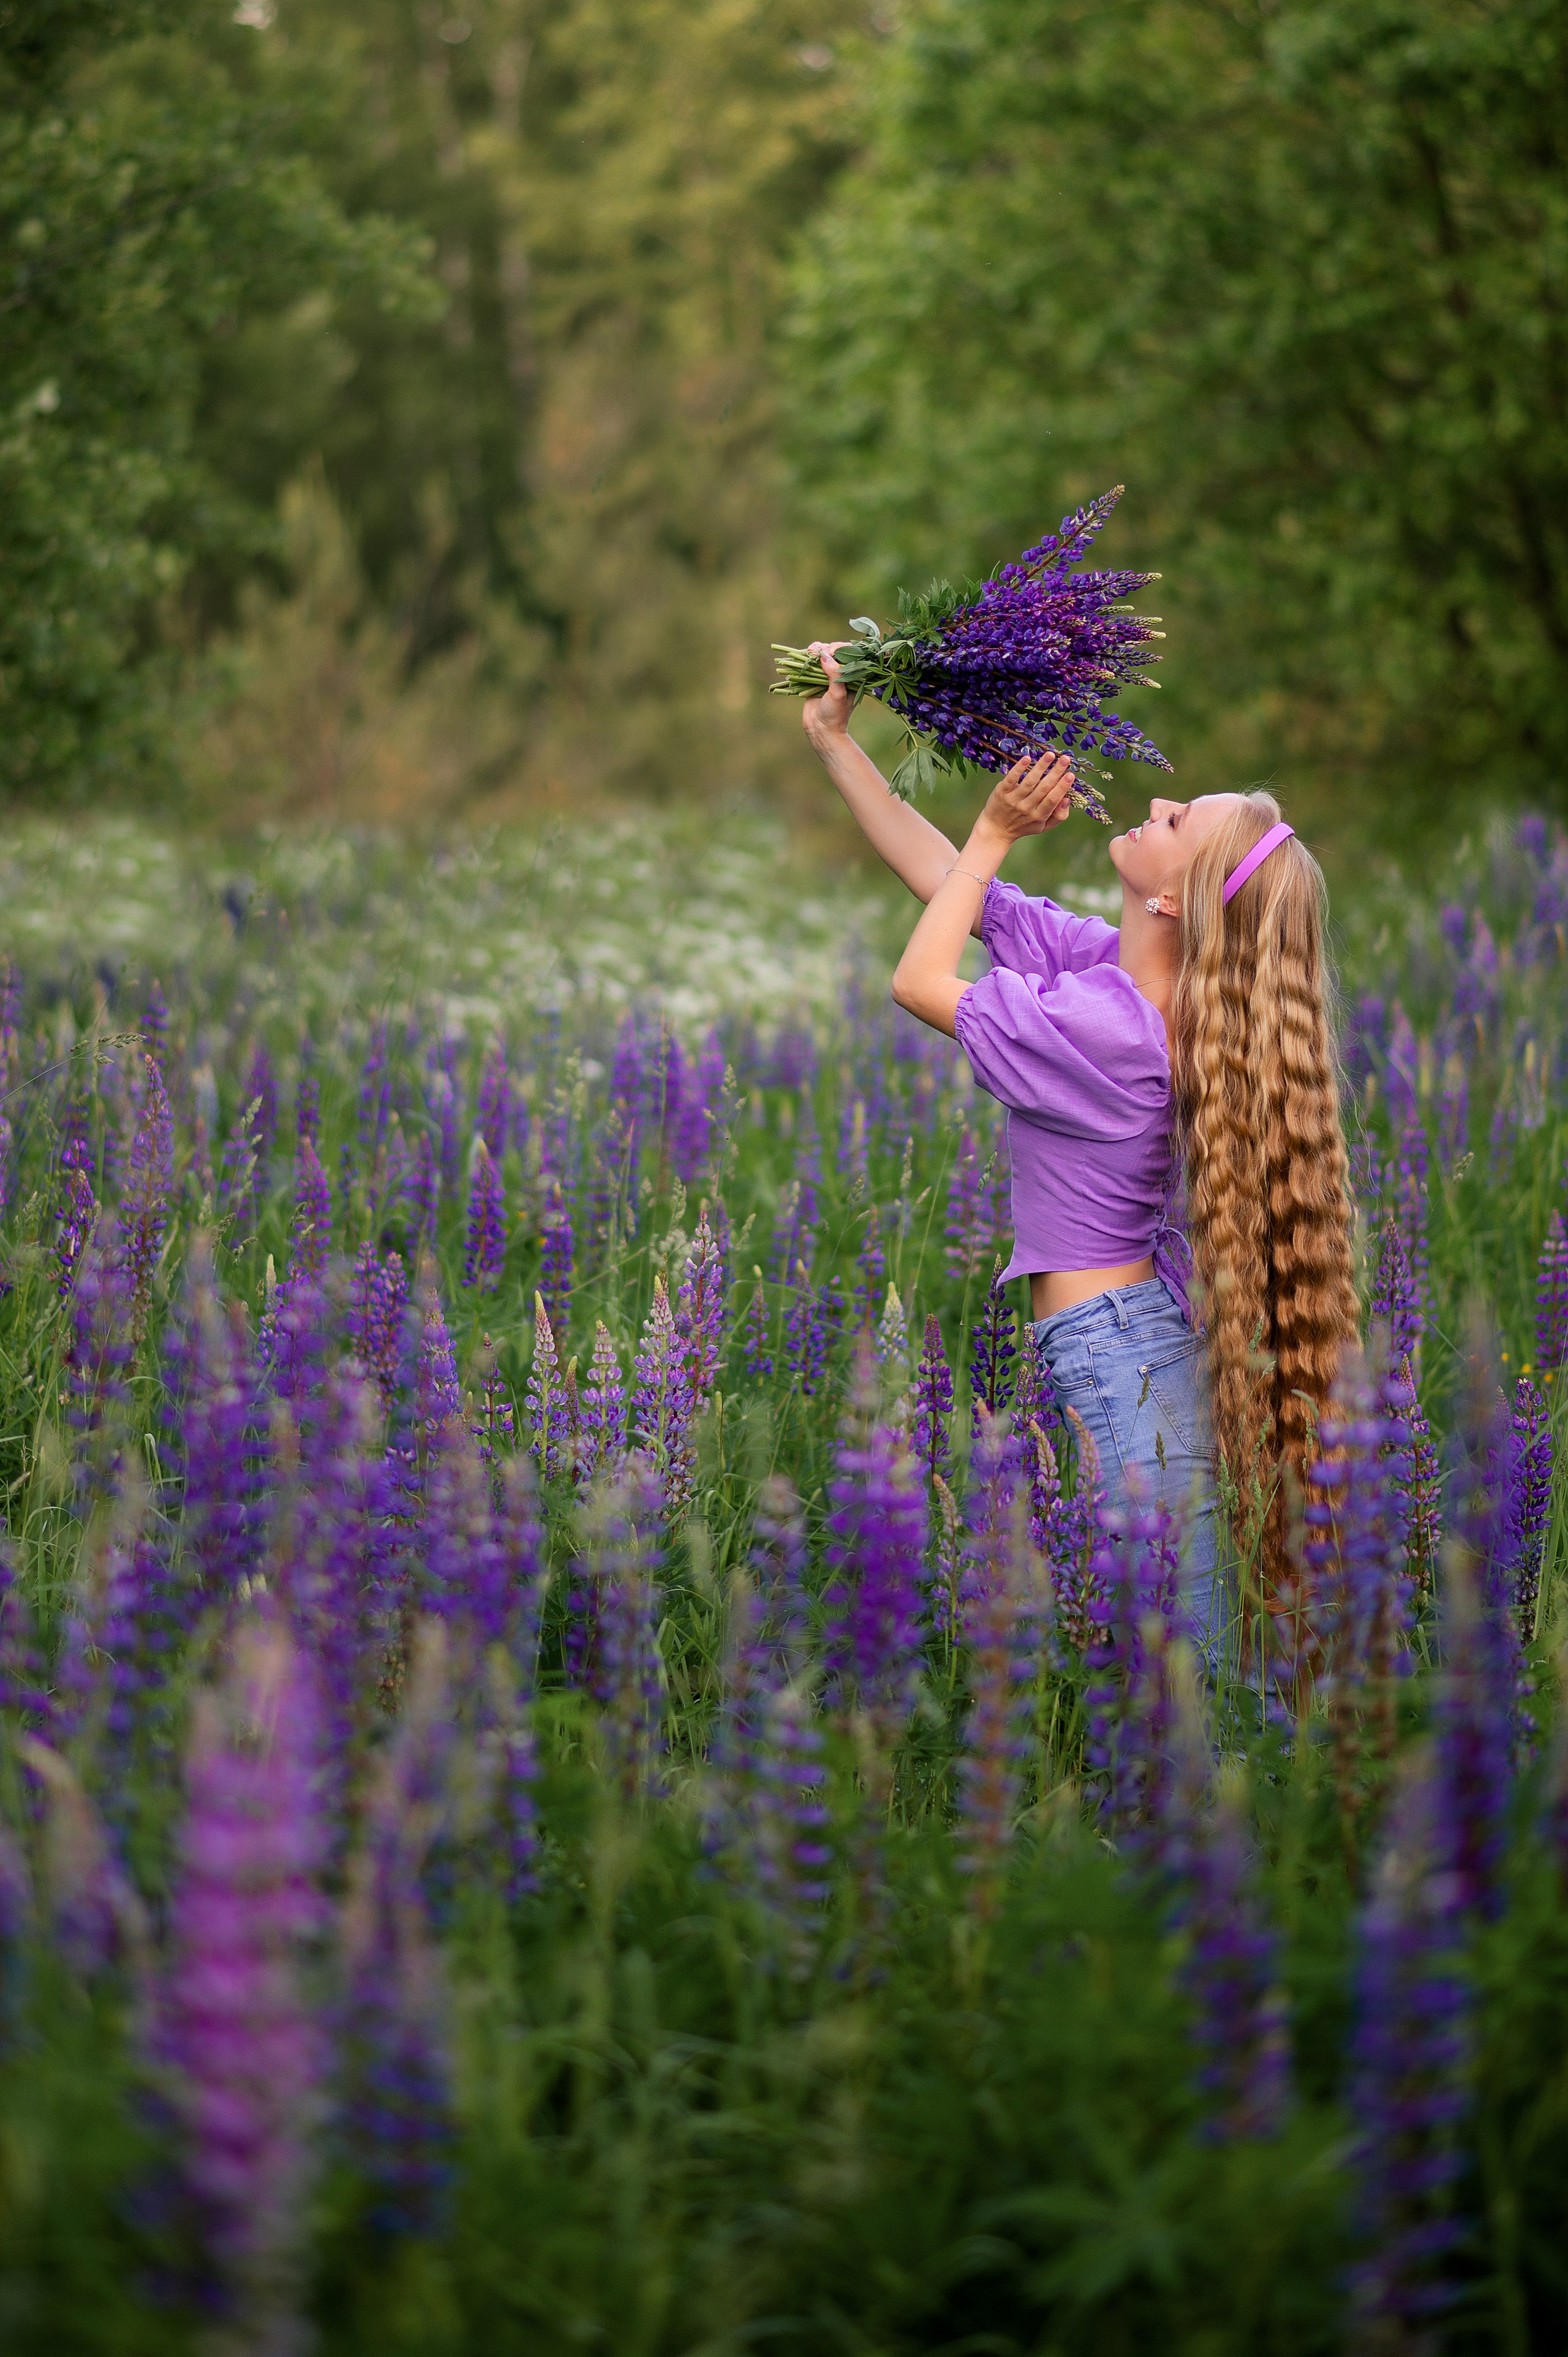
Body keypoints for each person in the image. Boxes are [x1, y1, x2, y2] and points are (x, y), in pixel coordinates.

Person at [802, 644, 1359, 1669]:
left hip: (1114, 1352)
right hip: (1128, 1334)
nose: (1160, 803)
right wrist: (837, 741)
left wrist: (995, 833)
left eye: (1180, 821)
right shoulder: (1122, 977)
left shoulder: (1114, 1028)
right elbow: (949, 887)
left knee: (1179, 1660)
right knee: (1180, 1644)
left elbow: (919, 979)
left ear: (1176, 900)